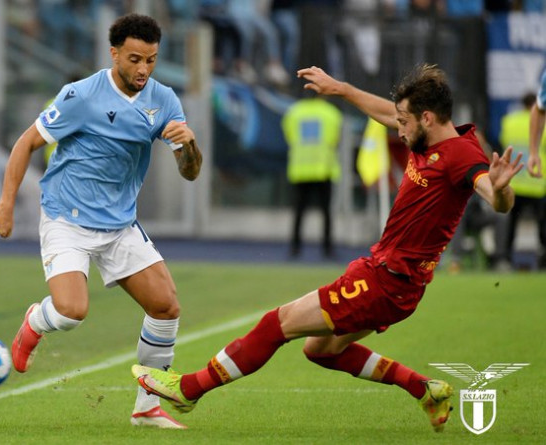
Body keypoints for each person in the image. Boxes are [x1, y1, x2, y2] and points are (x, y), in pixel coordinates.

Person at [131, 64, 522, 432]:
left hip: (387, 282)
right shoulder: (426, 135)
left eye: (404, 122)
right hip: (391, 279)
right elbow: (386, 113)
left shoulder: (461, 155)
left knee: (276, 323)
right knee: (320, 350)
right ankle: (425, 389)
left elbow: (493, 196)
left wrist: (503, 190)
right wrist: (341, 89)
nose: (398, 128)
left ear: (427, 119)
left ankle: (189, 389)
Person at [0, 13, 202, 429]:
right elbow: (26, 143)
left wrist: (190, 144)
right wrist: (6, 205)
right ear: (114, 54)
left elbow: (190, 172)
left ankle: (147, 408)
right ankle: (35, 321)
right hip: (66, 218)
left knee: (166, 307)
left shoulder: (164, 101)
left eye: (151, 60)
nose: (143, 69)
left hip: (119, 225)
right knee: (71, 312)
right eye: (135, 59)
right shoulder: (81, 96)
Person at [281, 97, 343, 258]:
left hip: (300, 168)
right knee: (326, 212)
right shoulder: (331, 113)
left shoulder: (294, 112)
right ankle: (327, 249)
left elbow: (289, 137)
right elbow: (335, 139)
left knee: (299, 211)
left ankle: (295, 248)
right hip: (323, 168)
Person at [495, 92, 546, 270]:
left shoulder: (509, 121)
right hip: (537, 183)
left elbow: (503, 142)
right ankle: (544, 260)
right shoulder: (542, 123)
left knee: (511, 225)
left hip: (515, 182)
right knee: (543, 226)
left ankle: (505, 258)